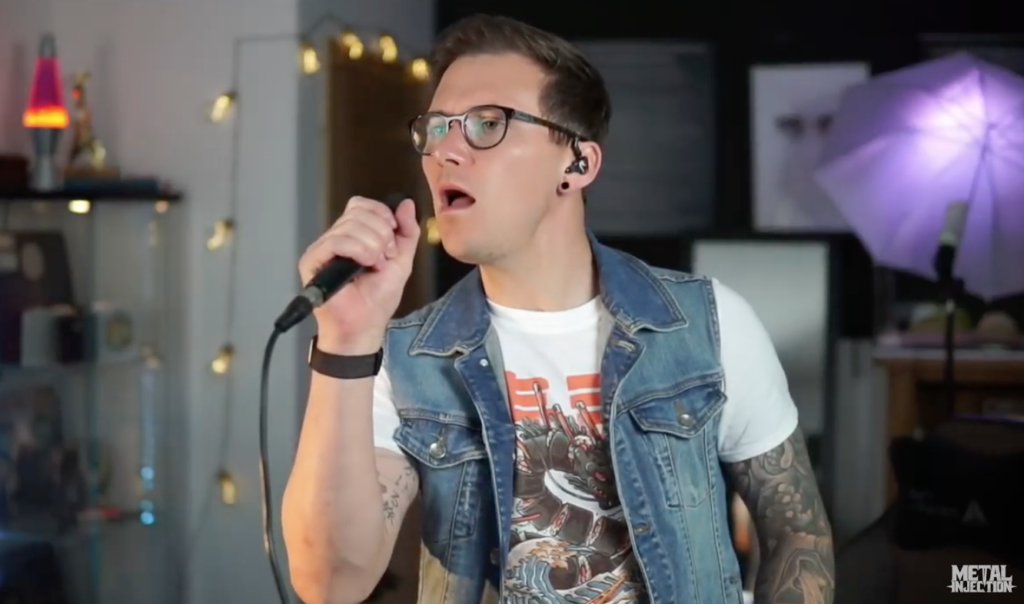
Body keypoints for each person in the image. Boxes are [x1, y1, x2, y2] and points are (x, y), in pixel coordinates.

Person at [282, 14, 835, 604]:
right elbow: (330, 584)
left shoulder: (708, 324)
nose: (444, 150)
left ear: (578, 164)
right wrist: (345, 341)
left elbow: (797, 532)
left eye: (486, 124)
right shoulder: (403, 359)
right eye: (436, 128)